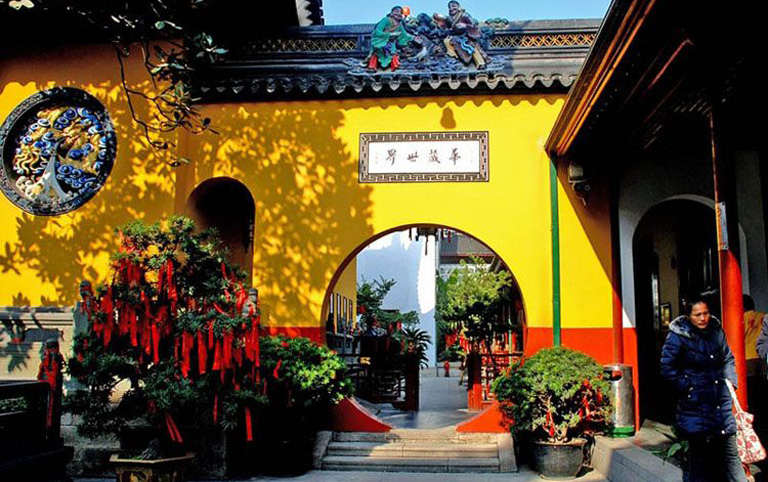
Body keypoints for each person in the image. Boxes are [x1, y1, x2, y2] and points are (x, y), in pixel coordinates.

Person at [660, 299, 746, 481]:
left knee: (731, 455)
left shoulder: (716, 331)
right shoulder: (678, 336)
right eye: (697, 314)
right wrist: (689, 387)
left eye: (705, 313)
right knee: (699, 461)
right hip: (695, 405)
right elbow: (667, 368)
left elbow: (728, 358)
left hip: (720, 403)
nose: (702, 318)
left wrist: (730, 381)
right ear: (688, 316)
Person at [433, 1, 488, 69]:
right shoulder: (449, 18)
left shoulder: (464, 15)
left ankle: (480, 63)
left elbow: (474, 26)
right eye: (450, 7)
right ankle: (453, 57)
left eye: (453, 6)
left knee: (471, 46)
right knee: (447, 41)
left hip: (466, 35)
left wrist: (465, 25)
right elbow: (448, 28)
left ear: (458, 7)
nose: (451, 8)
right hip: (454, 36)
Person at [367, 6, 414, 72]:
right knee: (377, 52)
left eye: (401, 12)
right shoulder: (386, 20)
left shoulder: (399, 25)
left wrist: (414, 38)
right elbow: (377, 32)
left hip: (390, 43)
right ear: (392, 13)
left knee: (393, 52)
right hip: (380, 41)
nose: (399, 14)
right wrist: (390, 35)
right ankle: (372, 66)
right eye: (397, 11)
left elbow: (404, 35)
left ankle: (395, 66)